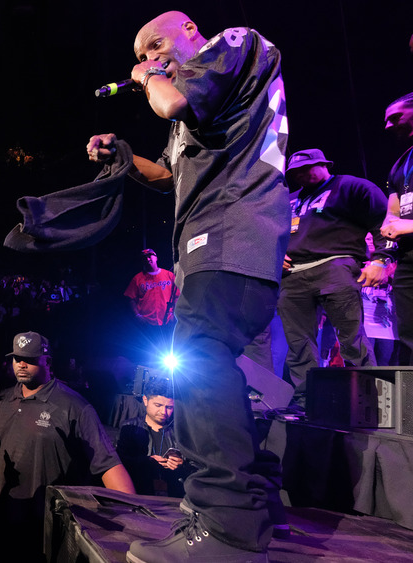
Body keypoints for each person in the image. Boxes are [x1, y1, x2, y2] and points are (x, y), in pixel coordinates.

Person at [87, 10, 289, 562]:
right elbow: (170, 177)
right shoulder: (199, 111)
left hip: (232, 228)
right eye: (144, 52)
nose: (150, 57)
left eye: (157, 44)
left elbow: (170, 101)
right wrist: (124, 157)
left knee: (200, 357)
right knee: (214, 364)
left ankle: (228, 529)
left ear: (191, 32)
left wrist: (146, 76)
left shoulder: (233, 42)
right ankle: (251, 505)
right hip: (213, 237)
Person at [0, 331, 133, 562]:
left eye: (30, 359)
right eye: (17, 358)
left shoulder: (74, 406)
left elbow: (108, 464)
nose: (21, 364)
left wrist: (131, 525)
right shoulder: (1, 402)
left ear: (47, 362)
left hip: (50, 529)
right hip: (4, 521)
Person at [278, 148, 391, 403]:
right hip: (293, 276)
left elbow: (383, 222)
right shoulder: (289, 199)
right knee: (299, 345)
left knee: (351, 339)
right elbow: (270, 232)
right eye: (295, 172)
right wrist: (274, 253)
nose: (300, 176)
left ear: (325, 164)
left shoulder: (351, 186)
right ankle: (306, 403)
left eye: (306, 169)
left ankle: (369, 402)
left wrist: (380, 260)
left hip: (335, 266)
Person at [116, 377, 191, 497]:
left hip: (174, 496)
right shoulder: (130, 427)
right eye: (158, 405)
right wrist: (147, 461)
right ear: (145, 400)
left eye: (169, 407)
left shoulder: (180, 430)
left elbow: (197, 465)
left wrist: (182, 464)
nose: (163, 412)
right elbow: (119, 463)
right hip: (139, 493)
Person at [381, 92, 413, 364]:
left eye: (395, 118)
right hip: (408, 260)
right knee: (407, 332)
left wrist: (407, 225)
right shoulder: (400, 164)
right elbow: (392, 215)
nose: (388, 126)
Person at [124, 248, 178, 327]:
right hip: (147, 322)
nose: (147, 259)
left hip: (167, 320)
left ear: (156, 258)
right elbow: (130, 299)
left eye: (149, 256)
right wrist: (137, 315)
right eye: (144, 257)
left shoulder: (169, 275)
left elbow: (177, 296)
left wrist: (174, 313)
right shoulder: (137, 278)